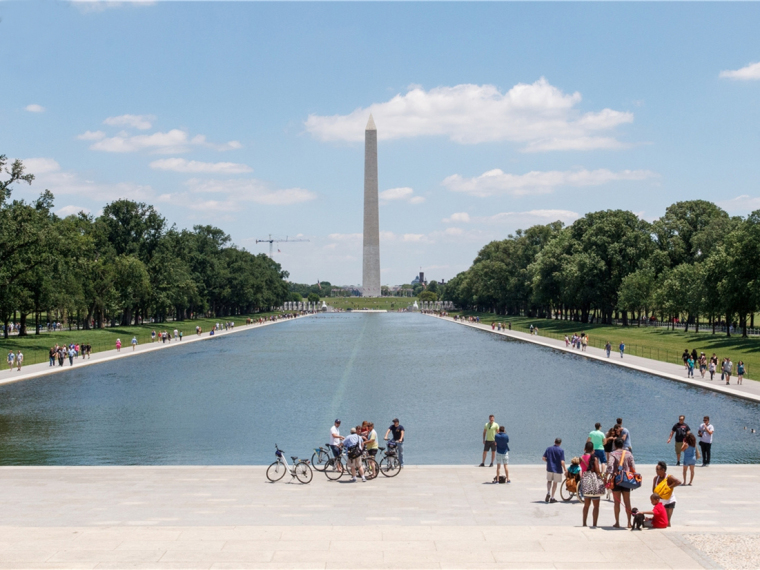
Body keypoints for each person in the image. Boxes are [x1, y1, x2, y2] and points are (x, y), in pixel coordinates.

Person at [606, 438, 636, 528]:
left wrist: (606, 476)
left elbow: (610, 466)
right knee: (627, 502)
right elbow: (633, 466)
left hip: (617, 480)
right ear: (623, 445)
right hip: (627, 479)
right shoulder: (629, 454)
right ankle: (629, 523)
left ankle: (617, 522)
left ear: (615, 445)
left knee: (617, 503)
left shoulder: (613, 454)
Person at [579, 441, 603, 527]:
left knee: (586, 505)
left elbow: (582, 469)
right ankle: (594, 524)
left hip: (585, 482)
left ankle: (584, 523)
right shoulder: (594, 458)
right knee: (596, 506)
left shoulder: (581, 458)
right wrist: (602, 477)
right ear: (593, 449)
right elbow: (597, 470)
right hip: (594, 482)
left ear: (585, 448)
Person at [653, 461, 681, 527]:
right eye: (656, 469)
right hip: (660, 502)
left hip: (669, 500)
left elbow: (678, 482)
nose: (656, 471)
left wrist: (668, 487)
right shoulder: (655, 478)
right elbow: (653, 490)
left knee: (667, 521)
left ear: (663, 470)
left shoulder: (669, 477)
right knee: (662, 520)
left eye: (658, 469)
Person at [542, 438, 566, 503]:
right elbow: (562, 462)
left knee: (549, 481)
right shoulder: (561, 450)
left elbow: (543, 458)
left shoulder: (548, 449)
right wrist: (565, 469)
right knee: (555, 483)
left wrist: (548, 461)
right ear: (560, 443)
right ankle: (552, 497)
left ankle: (548, 492)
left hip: (549, 468)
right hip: (557, 469)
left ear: (554, 441)